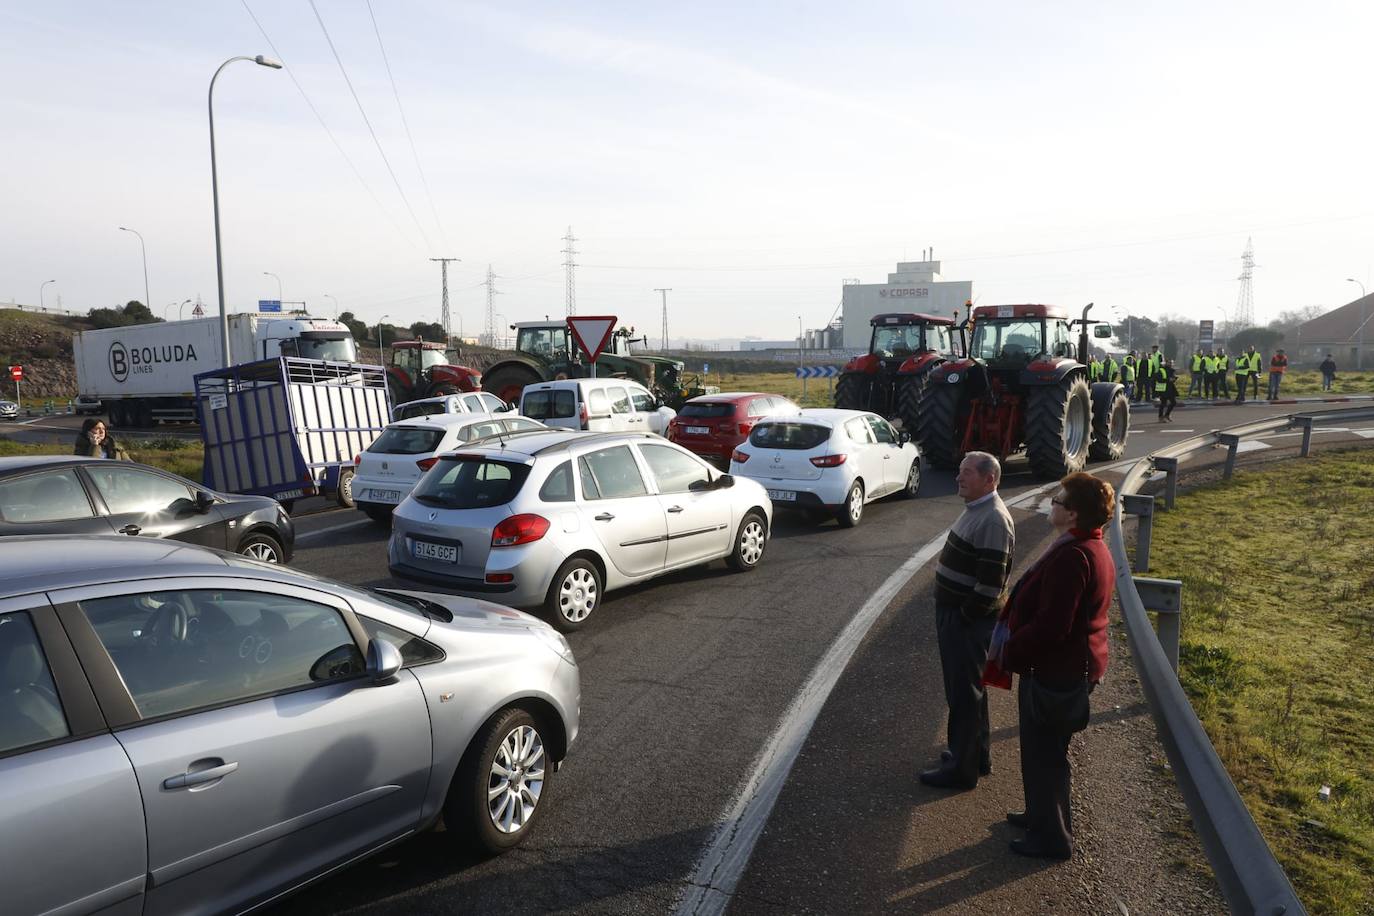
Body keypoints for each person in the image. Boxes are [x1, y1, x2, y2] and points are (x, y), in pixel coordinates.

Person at [993, 472, 1116, 860]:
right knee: (1045, 752)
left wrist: (1011, 652)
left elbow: (1052, 627)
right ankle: (1042, 816)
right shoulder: (1088, 546)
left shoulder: (1073, 557)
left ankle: (1051, 839)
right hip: (1067, 668)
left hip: (1055, 672)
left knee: (1045, 755)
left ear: (1074, 514)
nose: (1052, 504)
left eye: (1059, 501)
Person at [921, 451, 1016, 791]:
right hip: (959, 616)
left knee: (964, 695)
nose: (958, 478)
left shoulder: (992, 519)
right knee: (968, 692)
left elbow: (991, 584)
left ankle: (962, 771)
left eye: (967, 473)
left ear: (989, 479)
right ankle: (975, 756)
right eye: (959, 471)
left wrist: (962, 617)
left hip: (966, 621)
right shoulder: (977, 510)